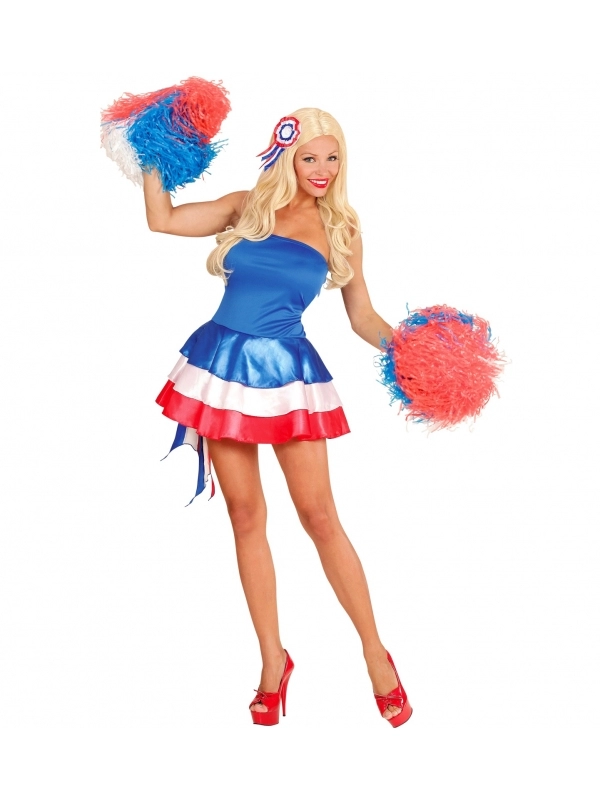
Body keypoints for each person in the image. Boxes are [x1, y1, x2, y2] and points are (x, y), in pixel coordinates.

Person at [143, 108, 412, 728]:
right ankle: (273, 661)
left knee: (320, 517)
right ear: (286, 155)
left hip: (288, 375)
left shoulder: (341, 227)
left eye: (332, 157)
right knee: (245, 516)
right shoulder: (247, 206)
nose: (322, 169)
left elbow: (362, 316)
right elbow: (163, 220)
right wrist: (150, 146)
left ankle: (375, 653)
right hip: (222, 367)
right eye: (310, 157)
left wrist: (413, 352)